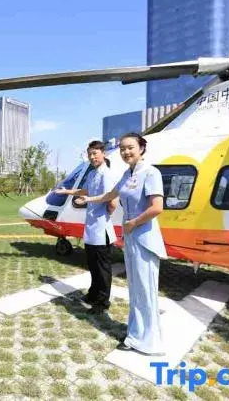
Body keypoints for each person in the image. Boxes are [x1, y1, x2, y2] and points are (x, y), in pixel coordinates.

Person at [77, 132, 166, 355]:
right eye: (123, 149)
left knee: (145, 290)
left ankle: (150, 342)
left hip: (144, 237)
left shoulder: (151, 172)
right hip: (131, 236)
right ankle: (136, 334)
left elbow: (157, 207)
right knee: (135, 289)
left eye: (130, 147)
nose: (126, 152)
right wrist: (89, 199)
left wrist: (133, 222)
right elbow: (110, 195)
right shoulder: (127, 174)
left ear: (141, 148)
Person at [55, 140, 118, 313]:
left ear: (103, 153)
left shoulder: (107, 174)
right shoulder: (92, 174)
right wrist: (65, 191)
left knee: (103, 269)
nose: (92, 157)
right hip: (91, 228)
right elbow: (84, 191)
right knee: (92, 265)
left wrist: (104, 213)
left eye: (95, 153)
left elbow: (112, 200)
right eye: (90, 154)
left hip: (102, 229)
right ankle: (93, 294)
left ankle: (102, 303)